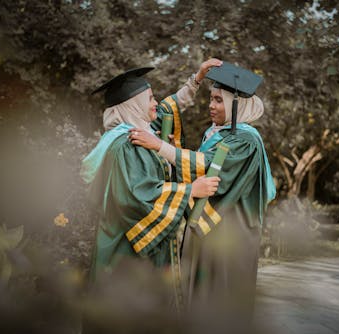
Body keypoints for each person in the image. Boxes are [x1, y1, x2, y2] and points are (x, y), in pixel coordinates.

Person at [129, 61, 276, 320]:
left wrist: (159, 147)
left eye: (219, 100)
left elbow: (208, 167)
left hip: (231, 235)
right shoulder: (216, 133)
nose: (211, 105)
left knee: (220, 300)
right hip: (208, 230)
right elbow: (188, 155)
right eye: (211, 98)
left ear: (236, 105)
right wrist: (196, 79)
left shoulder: (246, 140)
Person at [80, 61, 222, 282]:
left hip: (121, 241)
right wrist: (189, 190)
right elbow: (137, 196)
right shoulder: (130, 144)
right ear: (134, 106)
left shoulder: (137, 134)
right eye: (151, 99)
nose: (157, 104)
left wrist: (198, 78)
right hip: (125, 250)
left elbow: (170, 107)